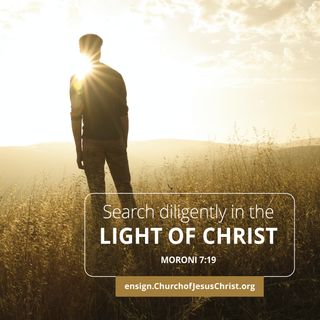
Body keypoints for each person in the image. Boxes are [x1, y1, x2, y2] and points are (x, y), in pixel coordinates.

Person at [69, 34, 136, 219]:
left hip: (91, 142)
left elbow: (76, 115)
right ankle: (135, 233)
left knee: (97, 192)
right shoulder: (116, 76)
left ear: (81, 51)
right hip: (115, 139)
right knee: (124, 188)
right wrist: (124, 142)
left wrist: (78, 149)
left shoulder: (77, 78)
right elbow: (123, 114)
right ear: (99, 50)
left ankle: (102, 237)